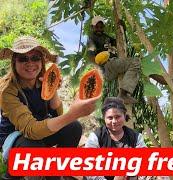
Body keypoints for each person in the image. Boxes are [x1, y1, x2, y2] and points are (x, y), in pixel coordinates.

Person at [0, 36, 100, 179]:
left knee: (73, 127)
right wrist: (73, 113)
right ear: (14, 62)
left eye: (35, 58)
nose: (30, 63)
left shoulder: (42, 80)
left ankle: (55, 173)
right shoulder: (7, 91)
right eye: (23, 59)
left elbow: (57, 115)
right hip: (17, 139)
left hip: (40, 133)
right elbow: (31, 130)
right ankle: (12, 174)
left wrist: (52, 91)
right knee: (33, 148)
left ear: (41, 61)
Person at [84, 97, 146, 180]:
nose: (114, 121)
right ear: (104, 118)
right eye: (110, 118)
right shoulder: (96, 137)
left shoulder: (136, 137)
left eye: (117, 117)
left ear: (124, 116)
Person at [87, 16, 141, 104]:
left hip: (113, 66)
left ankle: (123, 93)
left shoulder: (107, 37)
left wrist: (123, 30)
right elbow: (91, 55)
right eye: (97, 27)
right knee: (135, 62)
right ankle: (123, 94)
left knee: (131, 65)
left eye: (101, 27)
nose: (99, 29)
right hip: (107, 66)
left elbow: (121, 44)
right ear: (92, 27)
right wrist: (99, 69)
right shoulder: (92, 38)